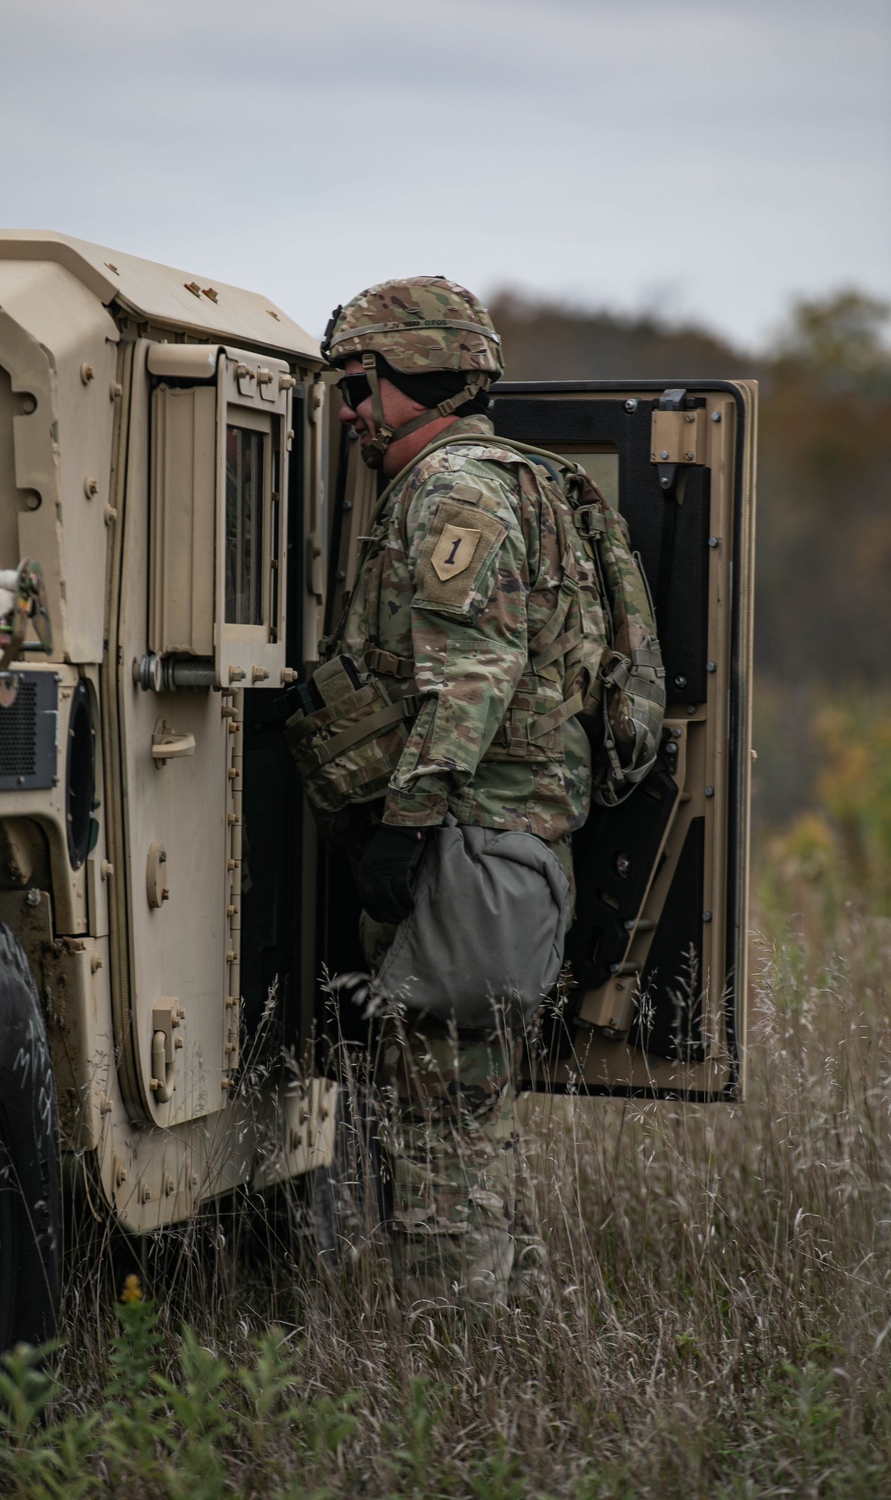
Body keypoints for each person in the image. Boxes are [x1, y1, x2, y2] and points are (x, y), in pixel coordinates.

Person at [288, 276, 661, 1308]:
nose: (351, 417)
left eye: (357, 389)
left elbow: (470, 676)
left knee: (435, 1122)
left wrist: (402, 832)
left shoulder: (457, 495)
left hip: (469, 850)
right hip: (510, 852)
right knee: (470, 1115)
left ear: (415, 381)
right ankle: (518, 1349)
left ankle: (450, 1358)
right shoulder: (525, 485)